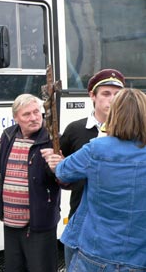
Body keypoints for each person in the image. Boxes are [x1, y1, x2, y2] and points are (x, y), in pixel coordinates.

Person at [45, 88, 146, 271]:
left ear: (115, 115)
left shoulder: (96, 149)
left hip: (95, 251)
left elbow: (62, 172)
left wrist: (57, 161)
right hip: (138, 258)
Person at [0, 94, 61, 271]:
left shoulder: (52, 139)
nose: (34, 118)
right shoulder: (9, 135)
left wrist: (58, 166)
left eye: (36, 112)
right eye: (27, 114)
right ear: (16, 117)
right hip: (11, 220)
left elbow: (63, 179)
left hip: (39, 223)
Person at [58, 68, 125, 265]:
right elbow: (61, 175)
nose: (112, 99)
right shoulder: (75, 130)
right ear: (92, 96)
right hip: (80, 217)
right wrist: (57, 168)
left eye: (117, 94)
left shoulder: (132, 133)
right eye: (106, 93)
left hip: (115, 223)